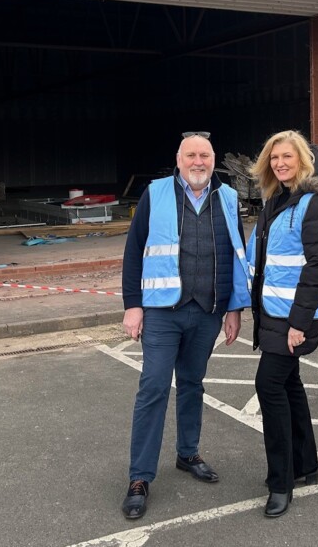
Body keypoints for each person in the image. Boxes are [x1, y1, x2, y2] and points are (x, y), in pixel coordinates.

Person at [119, 131, 251, 520]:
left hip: (207, 309)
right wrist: (133, 305)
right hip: (162, 310)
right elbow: (134, 250)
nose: (198, 162)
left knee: (193, 383)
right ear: (179, 160)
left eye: (205, 156)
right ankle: (140, 478)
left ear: (214, 161)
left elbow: (234, 253)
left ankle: (187, 453)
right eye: (191, 155)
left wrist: (234, 308)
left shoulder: (228, 197)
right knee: (154, 387)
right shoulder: (155, 193)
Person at [247, 130, 318, 518]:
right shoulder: (277, 200)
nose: (280, 163)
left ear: (304, 160)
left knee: (268, 385)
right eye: (274, 158)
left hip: (295, 318)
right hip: (272, 312)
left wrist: (298, 323)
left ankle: (281, 483)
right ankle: (306, 465)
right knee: (289, 384)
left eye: (287, 156)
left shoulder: (315, 204)